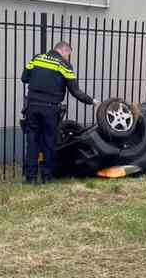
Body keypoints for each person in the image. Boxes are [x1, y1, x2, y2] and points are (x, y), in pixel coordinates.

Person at [21, 41, 99, 184]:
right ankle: (46, 177)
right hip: (50, 108)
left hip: (32, 106)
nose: (68, 58)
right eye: (68, 55)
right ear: (64, 51)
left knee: (32, 141)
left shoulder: (37, 58)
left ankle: (30, 178)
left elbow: (24, 78)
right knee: (49, 142)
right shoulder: (64, 65)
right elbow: (75, 91)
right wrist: (92, 101)